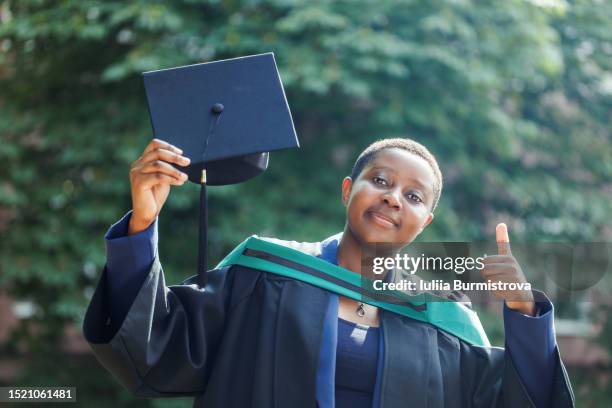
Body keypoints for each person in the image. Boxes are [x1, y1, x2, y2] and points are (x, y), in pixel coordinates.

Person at [83, 137, 575, 407]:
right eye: (379, 181)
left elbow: (523, 402)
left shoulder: (445, 324)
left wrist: (524, 312)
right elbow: (153, 346)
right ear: (347, 190)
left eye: (413, 196)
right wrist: (143, 224)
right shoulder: (265, 273)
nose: (392, 197)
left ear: (425, 222)